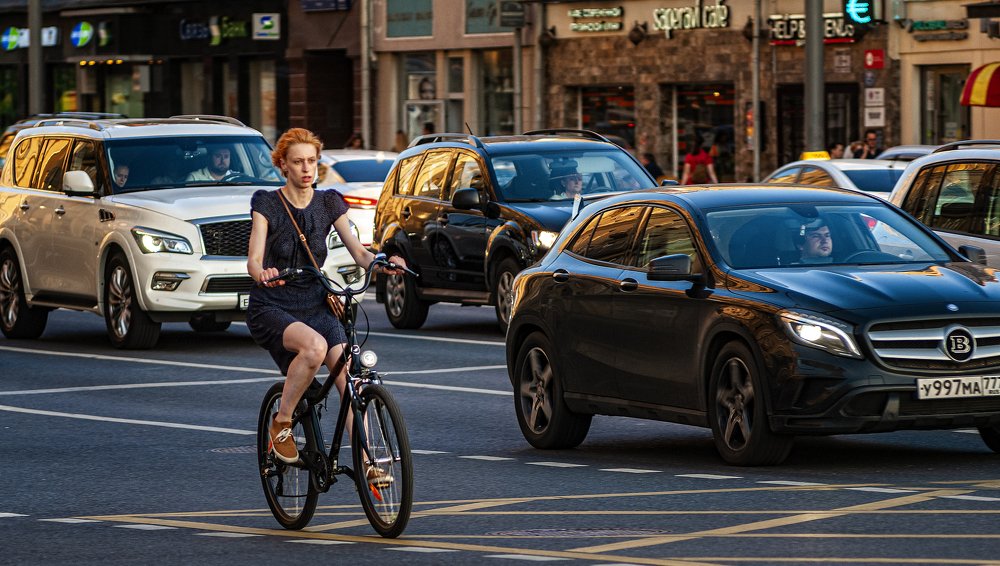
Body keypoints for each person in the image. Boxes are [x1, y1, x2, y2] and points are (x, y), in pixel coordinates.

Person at [246, 127, 406, 477]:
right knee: (315, 348)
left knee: (346, 377)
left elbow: (360, 252)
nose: (307, 169)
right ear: (283, 165)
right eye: (298, 162)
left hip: (315, 301)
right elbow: (253, 259)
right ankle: (282, 422)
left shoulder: (329, 201)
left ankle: (368, 465)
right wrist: (262, 272)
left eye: (312, 161)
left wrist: (384, 263)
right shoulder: (267, 202)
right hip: (273, 303)